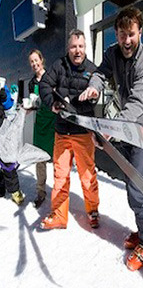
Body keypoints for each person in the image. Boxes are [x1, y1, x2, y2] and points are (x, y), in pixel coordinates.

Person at [79, 6, 143, 271]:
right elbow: (101, 73)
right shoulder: (112, 53)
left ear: (139, 32)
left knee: (139, 186)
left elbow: (137, 104)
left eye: (131, 34)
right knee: (133, 180)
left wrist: (111, 129)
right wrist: (94, 87)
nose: (126, 41)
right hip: (126, 123)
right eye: (121, 35)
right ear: (115, 34)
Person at [39, 30, 99, 230]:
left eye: (81, 46)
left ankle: (92, 209)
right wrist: (52, 102)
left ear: (85, 48)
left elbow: (98, 95)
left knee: (87, 174)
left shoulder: (92, 69)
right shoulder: (59, 65)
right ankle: (58, 214)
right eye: (73, 46)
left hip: (83, 132)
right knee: (60, 174)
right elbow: (45, 85)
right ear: (68, 48)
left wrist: (93, 95)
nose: (77, 50)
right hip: (62, 132)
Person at [28, 50, 56, 208]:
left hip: (53, 121)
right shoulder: (32, 83)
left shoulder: (51, 77)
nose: (34, 64)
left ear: (41, 60)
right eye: (31, 62)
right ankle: (40, 192)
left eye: (36, 60)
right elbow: (34, 102)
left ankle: (59, 191)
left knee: (58, 158)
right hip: (40, 123)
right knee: (40, 159)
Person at [0, 82, 24, 205]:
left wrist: (4, 98)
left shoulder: (1, 85)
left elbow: (10, 107)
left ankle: (15, 192)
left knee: (7, 163)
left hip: (2, 130)